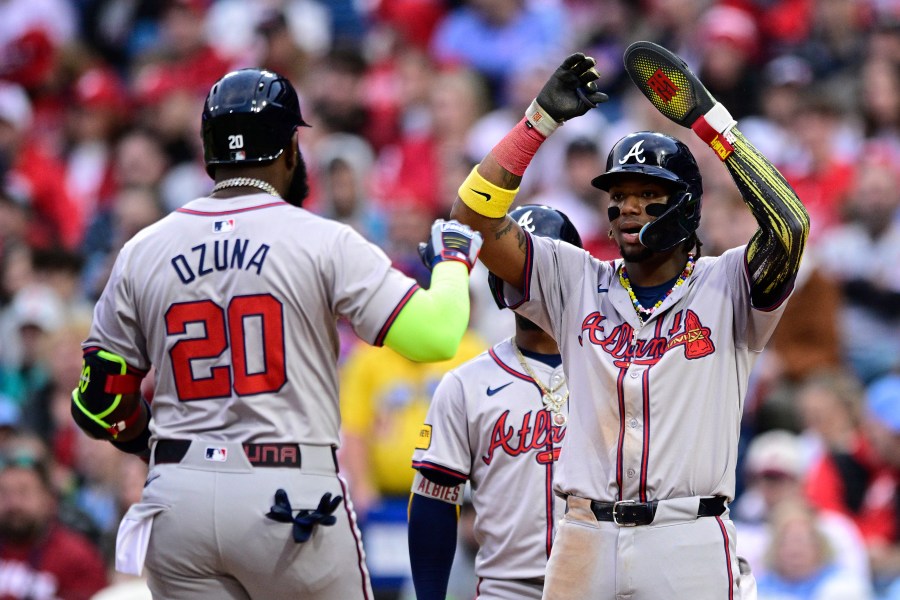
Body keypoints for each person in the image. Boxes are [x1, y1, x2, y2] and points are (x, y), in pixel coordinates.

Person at [67, 68, 483, 600]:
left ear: (208, 152)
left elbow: (99, 398)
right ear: (291, 148)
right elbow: (436, 338)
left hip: (178, 497)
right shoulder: (322, 239)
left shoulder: (144, 248)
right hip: (288, 493)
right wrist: (450, 263)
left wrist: (146, 444)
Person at [448, 43, 809, 599]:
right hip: (585, 537)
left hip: (686, 535)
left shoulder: (727, 283)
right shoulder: (574, 280)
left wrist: (710, 124)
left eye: (648, 193)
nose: (627, 207)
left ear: (687, 207)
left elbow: (789, 224)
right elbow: (472, 219)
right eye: (617, 194)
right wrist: (536, 125)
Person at [408, 204, 581, 600]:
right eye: (515, 267)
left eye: (544, 266)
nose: (531, 281)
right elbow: (434, 504)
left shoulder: (615, 372)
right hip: (507, 590)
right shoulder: (465, 385)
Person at [0, 438, 109, 600]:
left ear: (49, 500)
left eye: (24, 492)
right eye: (4, 493)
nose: (13, 503)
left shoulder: (76, 558)